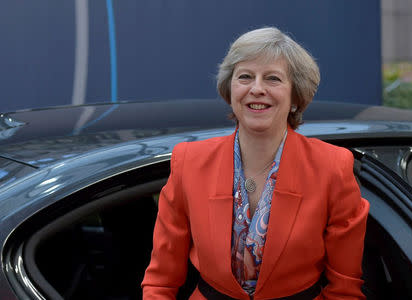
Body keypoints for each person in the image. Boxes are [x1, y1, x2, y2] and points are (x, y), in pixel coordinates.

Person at [141, 27, 369, 300]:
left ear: (296, 97)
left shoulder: (333, 167)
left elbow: (345, 288)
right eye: (245, 77)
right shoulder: (189, 162)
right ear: (230, 89)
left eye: (272, 78)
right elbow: (160, 282)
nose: (257, 89)